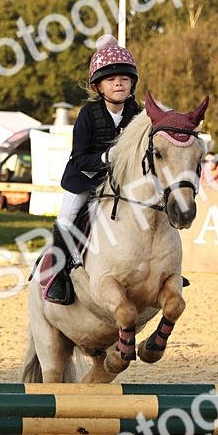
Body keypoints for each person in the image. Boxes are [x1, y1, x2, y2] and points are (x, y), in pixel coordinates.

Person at [44, 34, 141, 304]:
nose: (118, 82)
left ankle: (161, 267)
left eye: (124, 78)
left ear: (133, 82)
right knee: (66, 217)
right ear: (98, 87)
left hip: (122, 182)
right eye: (110, 79)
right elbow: (78, 159)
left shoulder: (138, 113)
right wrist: (107, 156)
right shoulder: (88, 114)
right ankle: (59, 277)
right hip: (84, 178)